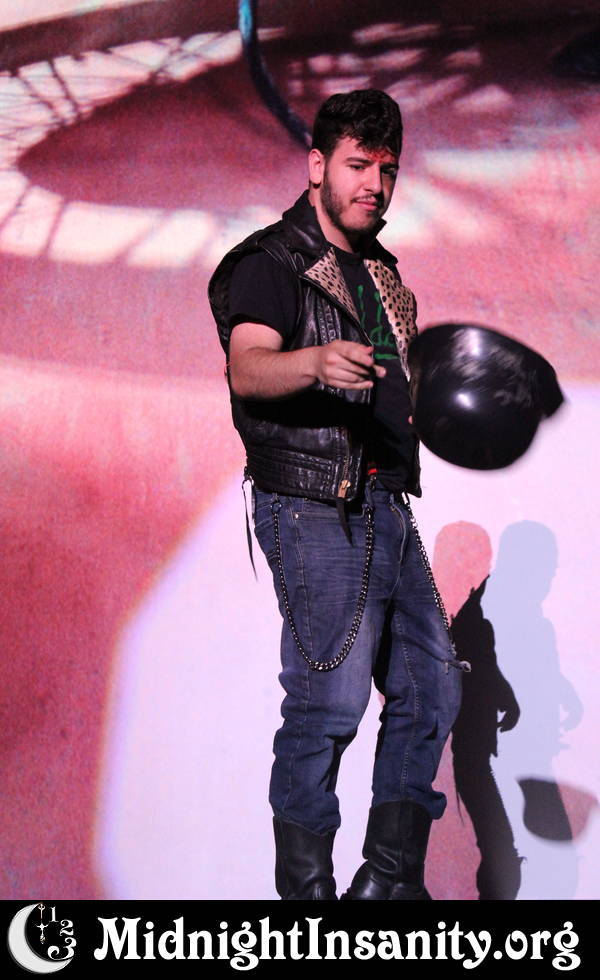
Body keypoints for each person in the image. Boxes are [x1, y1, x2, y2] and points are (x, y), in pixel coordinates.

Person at [209, 89, 465, 901]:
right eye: (358, 166)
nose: (374, 186)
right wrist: (316, 363)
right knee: (331, 700)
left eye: (387, 171)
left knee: (432, 687)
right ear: (317, 165)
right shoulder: (272, 260)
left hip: (386, 501)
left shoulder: (383, 273)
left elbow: (403, 390)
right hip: (313, 501)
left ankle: (387, 886)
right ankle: (308, 902)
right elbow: (248, 368)